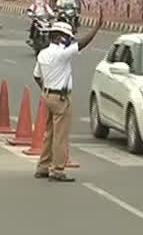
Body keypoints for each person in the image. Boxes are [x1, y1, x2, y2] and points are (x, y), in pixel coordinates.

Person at [33, 12, 103, 182]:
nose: (68, 41)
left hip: (48, 95)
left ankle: (43, 166)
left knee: (49, 133)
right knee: (60, 136)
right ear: (60, 38)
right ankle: (57, 169)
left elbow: (36, 76)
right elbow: (82, 44)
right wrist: (96, 28)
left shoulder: (43, 54)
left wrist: (46, 90)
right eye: (67, 38)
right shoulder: (61, 54)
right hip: (61, 99)